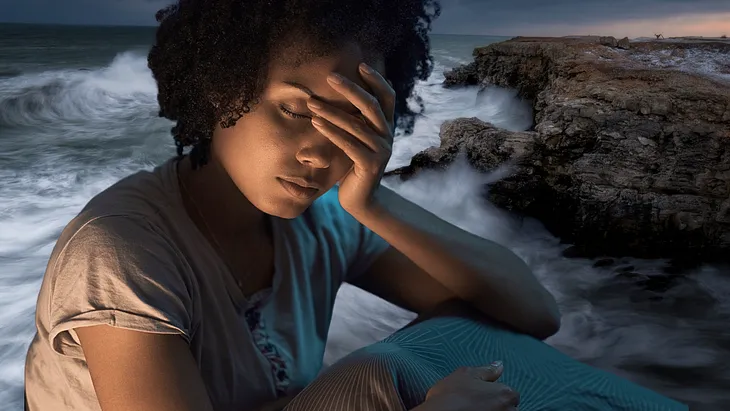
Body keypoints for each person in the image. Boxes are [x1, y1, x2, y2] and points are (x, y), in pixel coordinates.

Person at [23, 0, 687, 410]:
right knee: (390, 369)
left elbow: (531, 313)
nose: (321, 150)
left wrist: (368, 199)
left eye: (350, 119)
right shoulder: (121, 251)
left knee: (464, 344)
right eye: (295, 109)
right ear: (218, 90)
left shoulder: (324, 219)